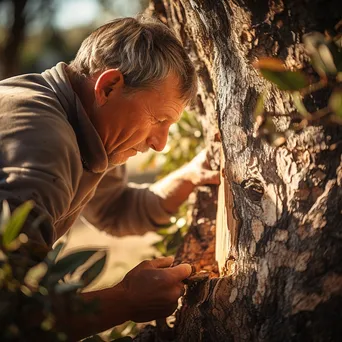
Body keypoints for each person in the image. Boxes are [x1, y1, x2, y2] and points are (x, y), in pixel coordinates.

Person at [0, 16, 219, 340]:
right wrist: (126, 301)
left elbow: (113, 209)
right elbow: (10, 314)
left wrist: (184, 179)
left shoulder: (89, 128)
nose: (160, 144)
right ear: (108, 86)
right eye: (158, 119)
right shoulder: (44, 145)